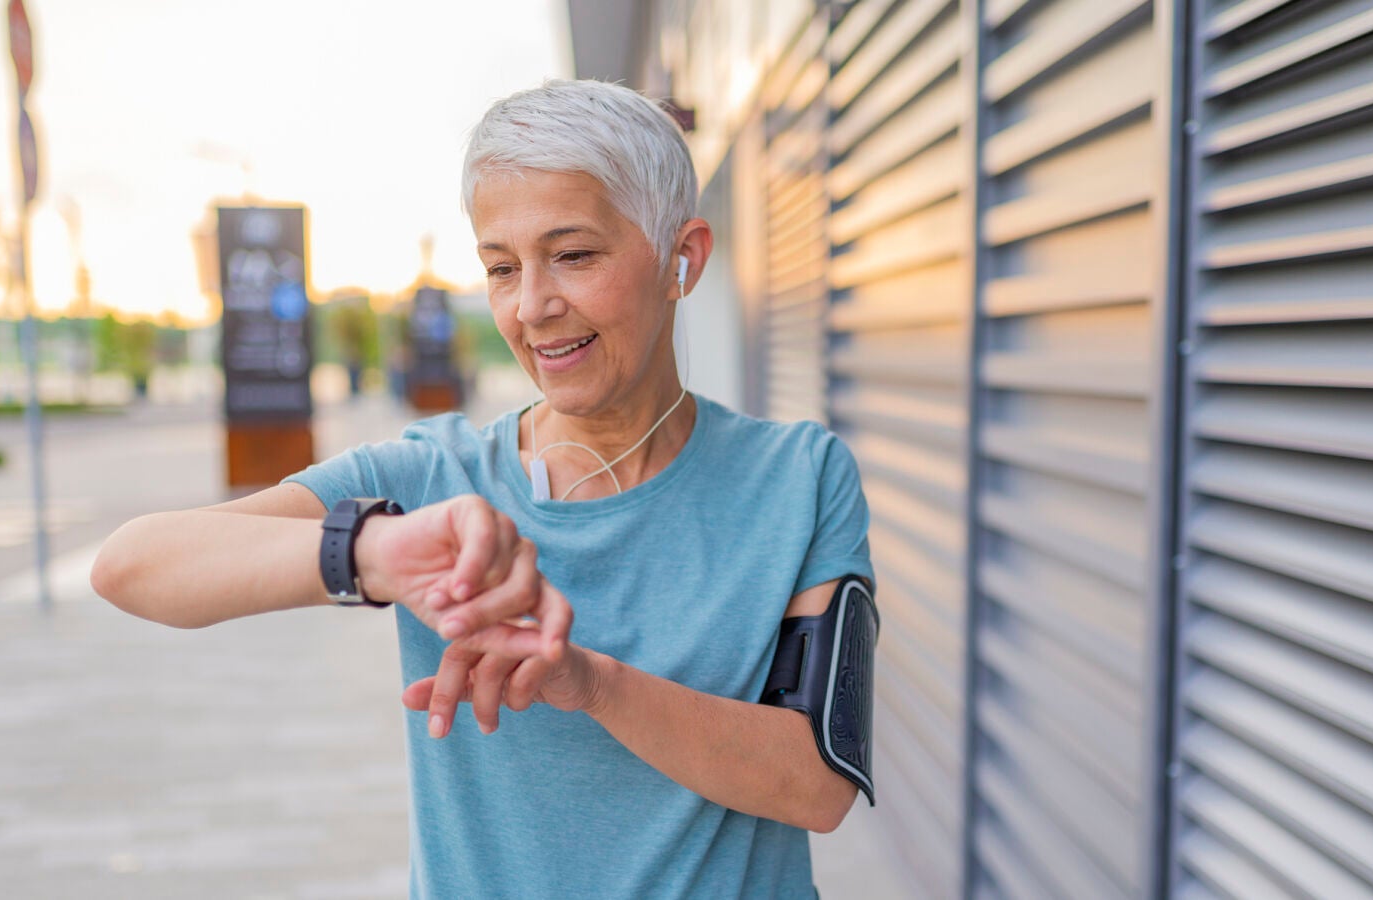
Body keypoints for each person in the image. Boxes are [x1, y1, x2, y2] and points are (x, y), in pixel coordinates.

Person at [92, 78, 877, 899]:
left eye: (574, 255)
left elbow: (816, 787)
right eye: (501, 268)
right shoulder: (429, 478)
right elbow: (131, 566)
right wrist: (374, 551)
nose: (532, 306)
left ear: (684, 257)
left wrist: (590, 682)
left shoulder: (799, 477)